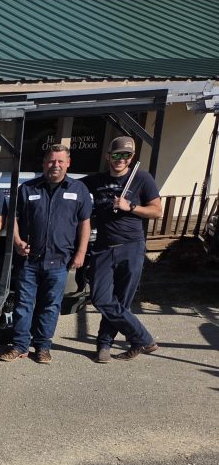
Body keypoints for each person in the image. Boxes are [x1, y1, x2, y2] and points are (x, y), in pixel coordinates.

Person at [0, 144, 92, 364]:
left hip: (60, 260)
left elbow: (84, 224)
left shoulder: (79, 190)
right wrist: (18, 241)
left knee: (51, 305)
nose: (55, 165)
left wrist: (81, 252)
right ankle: (20, 345)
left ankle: (42, 347)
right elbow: (13, 218)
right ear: (44, 163)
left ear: (68, 163)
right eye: (51, 161)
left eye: (60, 161)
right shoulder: (28, 189)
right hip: (29, 260)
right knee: (24, 303)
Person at [82, 136, 163, 363]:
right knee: (100, 298)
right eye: (116, 154)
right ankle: (143, 338)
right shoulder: (96, 180)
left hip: (131, 246)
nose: (120, 159)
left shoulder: (142, 179)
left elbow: (157, 211)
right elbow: (73, 188)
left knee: (121, 300)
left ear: (132, 158)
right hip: (104, 247)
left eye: (126, 155)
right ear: (108, 156)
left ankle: (104, 346)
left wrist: (132, 207)